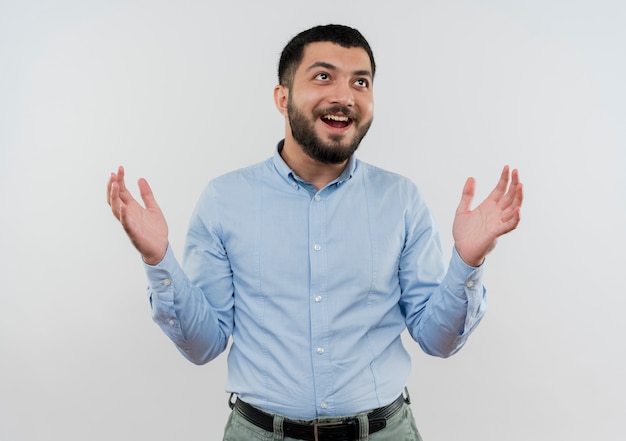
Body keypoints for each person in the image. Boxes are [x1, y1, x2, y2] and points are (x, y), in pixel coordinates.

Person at [107, 24, 523, 441]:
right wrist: (158, 261)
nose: (344, 96)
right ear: (282, 97)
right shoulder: (224, 199)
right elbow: (203, 345)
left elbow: (438, 340)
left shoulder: (401, 199)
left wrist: (468, 262)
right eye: (323, 76)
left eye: (360, 81)